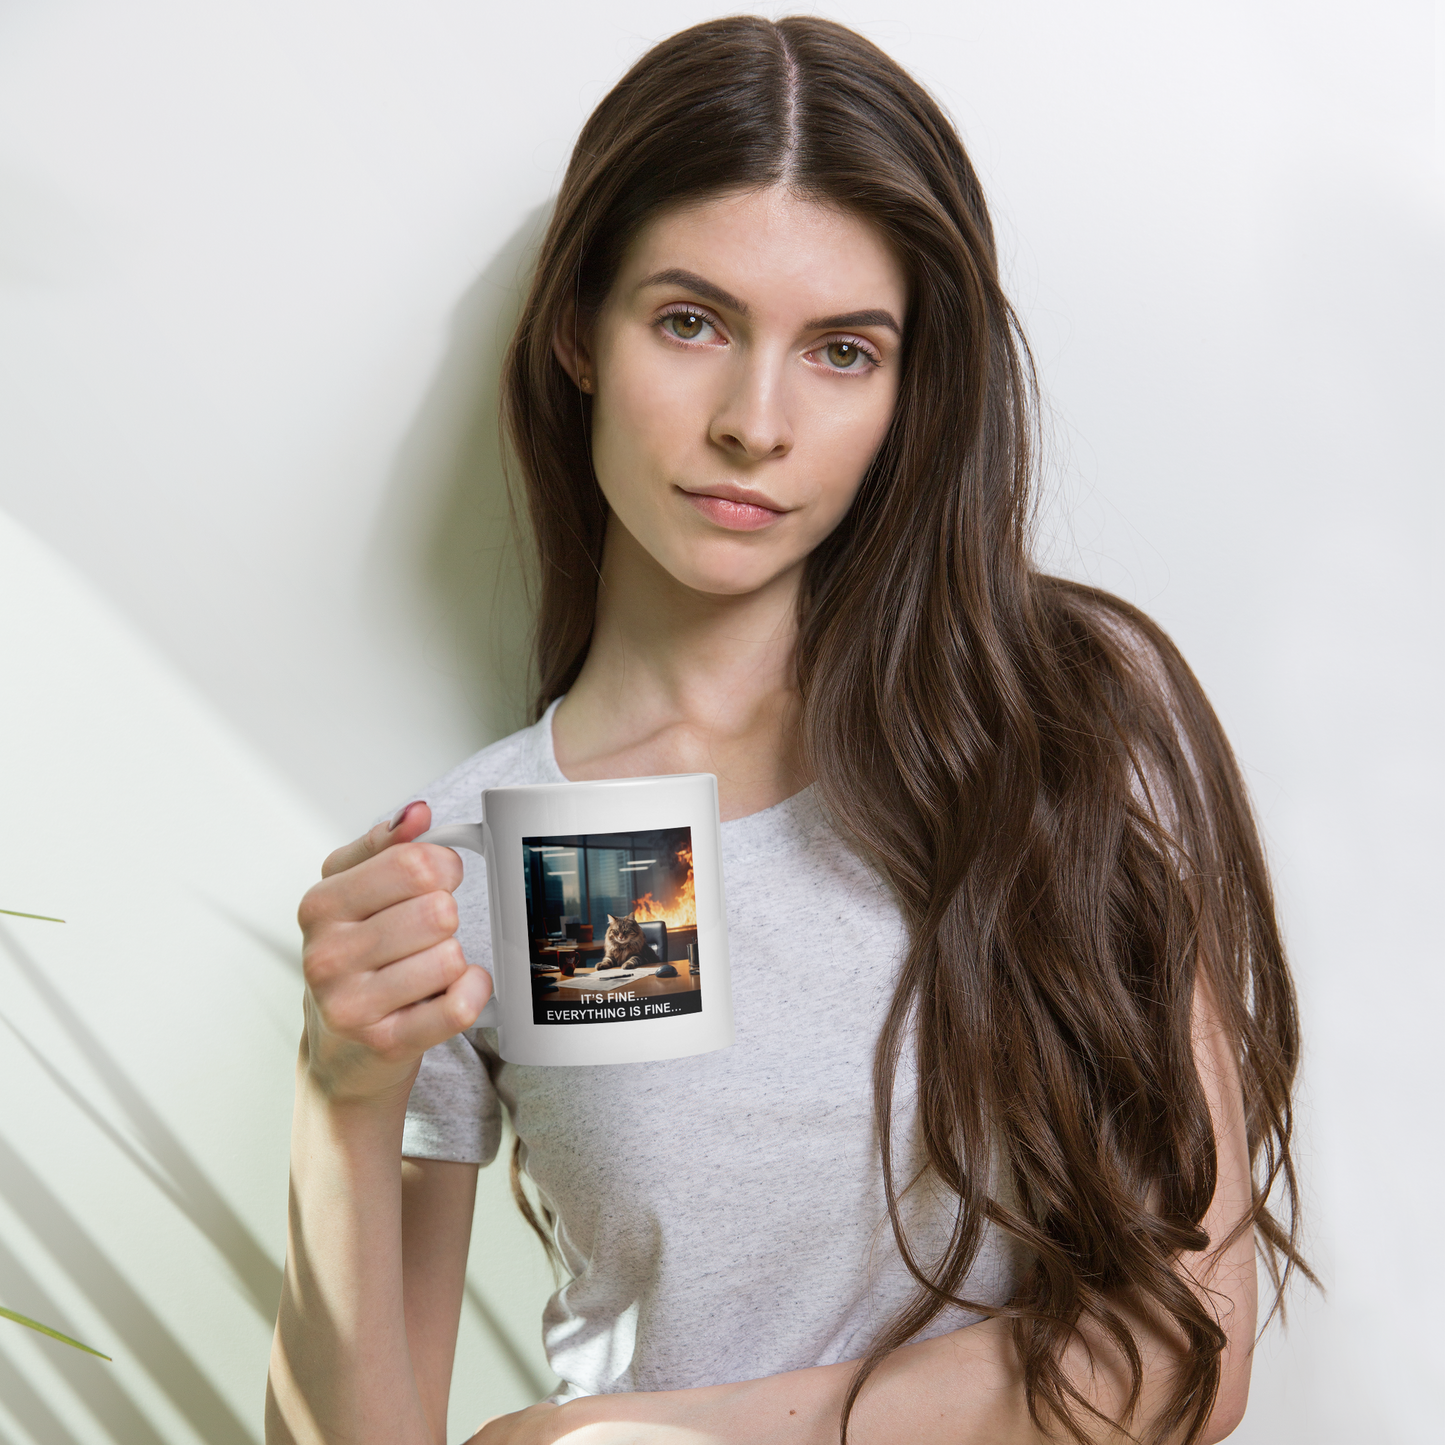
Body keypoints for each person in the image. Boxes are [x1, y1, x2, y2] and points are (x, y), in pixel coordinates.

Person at [265, 16, 1309, 1445]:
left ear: (908, 389)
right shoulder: (480, 860)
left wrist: (623, 1440)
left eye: (841, 351)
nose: (757, 423)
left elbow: (1180, 1352)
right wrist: (343, 1099)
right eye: (691, 321)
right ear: (578, 329)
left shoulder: (1067, 715)